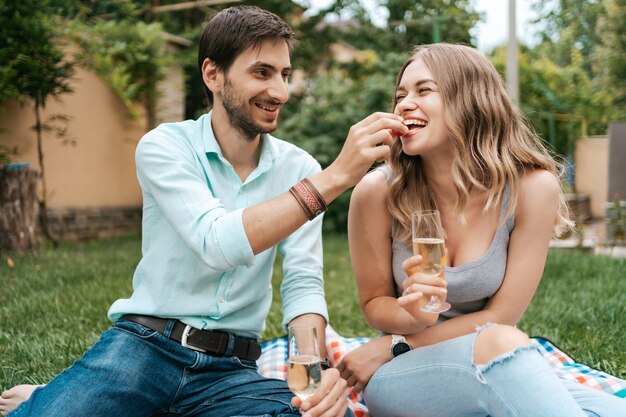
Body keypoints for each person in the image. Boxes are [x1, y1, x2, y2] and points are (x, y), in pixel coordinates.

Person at [0, 6, 408, 417]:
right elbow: (217, 242)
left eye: (284, 75)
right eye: (262, 72)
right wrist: (336, 176)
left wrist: (315, 373)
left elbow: (302, 282)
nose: (281, 92)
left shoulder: (299, 168)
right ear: (213, 74)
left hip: (231, 371)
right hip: (144, 350)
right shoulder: (165, 147)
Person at [336, 43, 626, 417]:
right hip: (406, 376)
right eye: (400, 95)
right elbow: (375, 305)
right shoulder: (376, 192)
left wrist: (395, 344)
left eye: (424, 90)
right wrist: (408, 320)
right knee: (502, 344)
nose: (404, 104)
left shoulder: (533, 188)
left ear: (470, 99)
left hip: (490, 357)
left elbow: (502, 313)